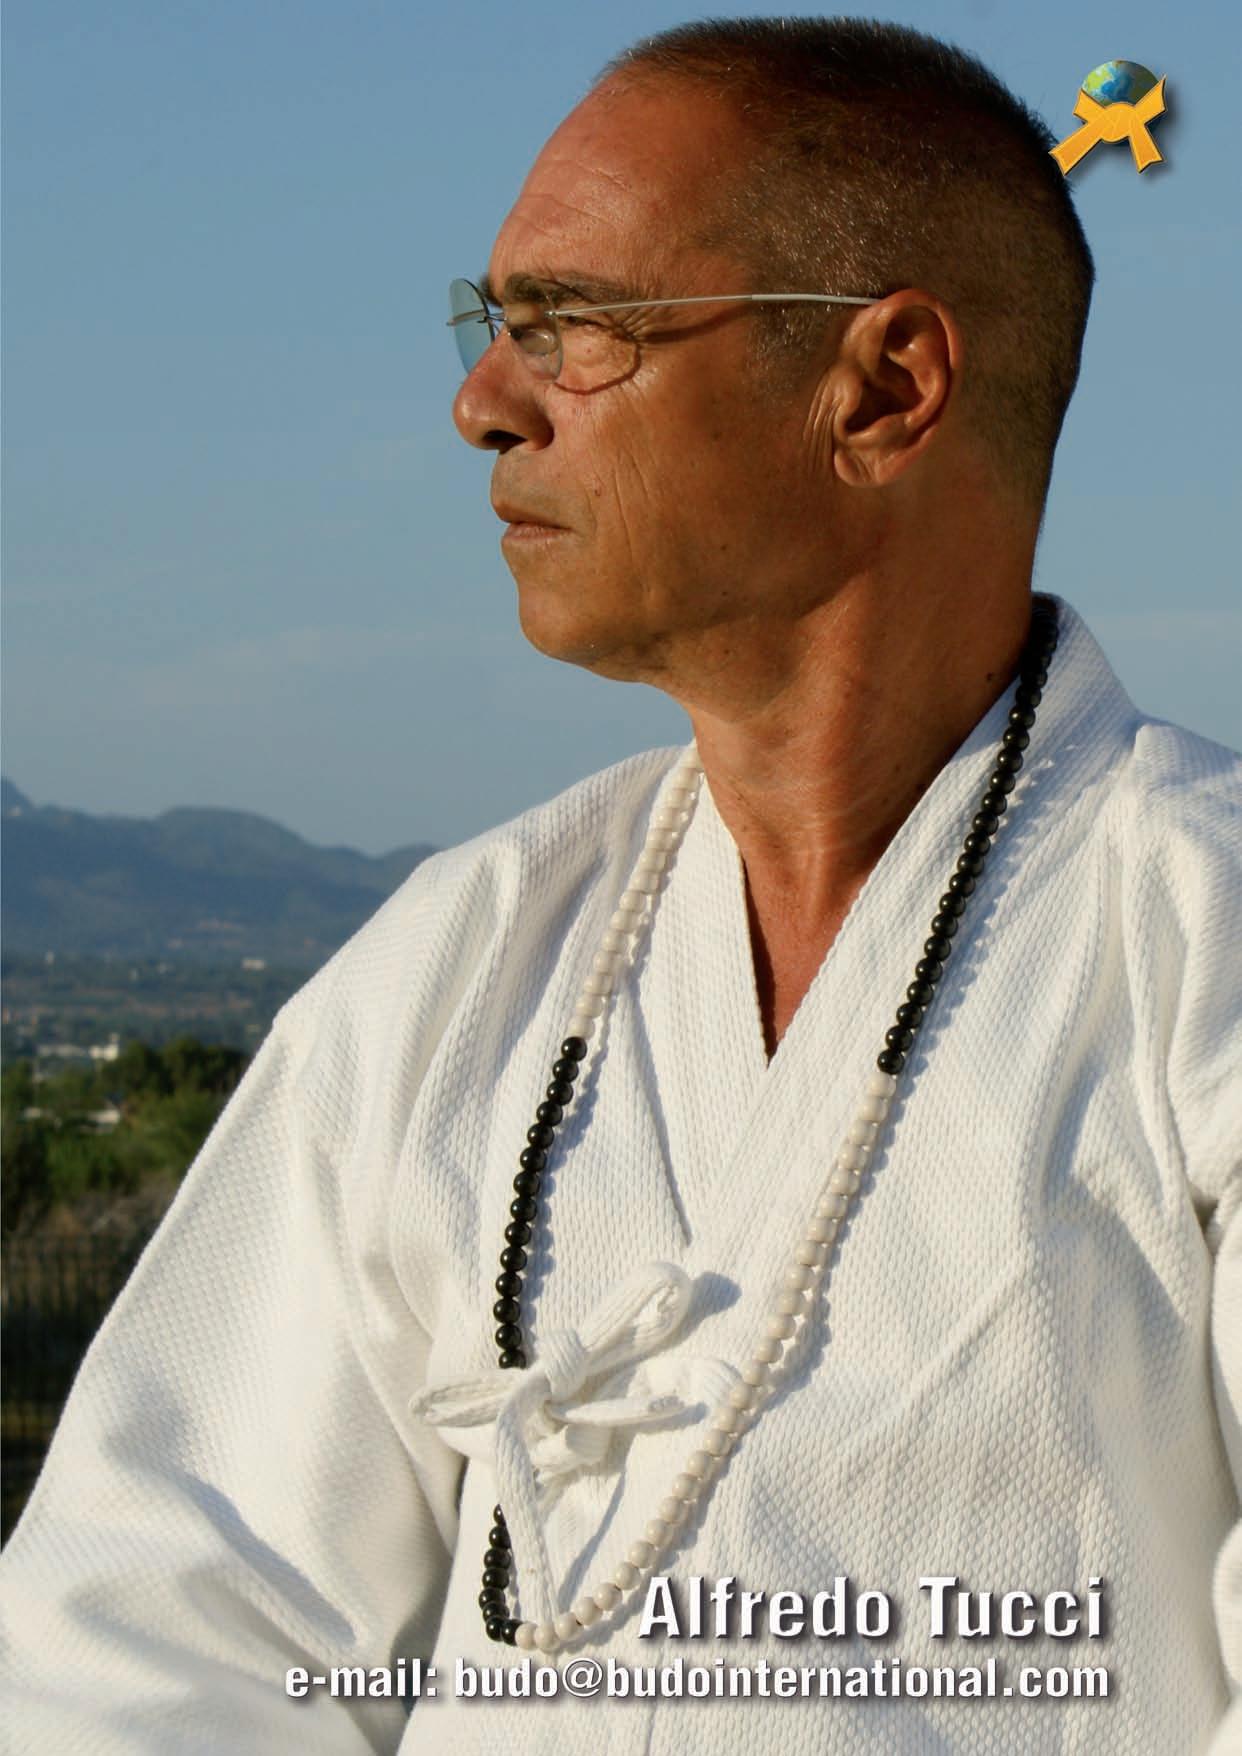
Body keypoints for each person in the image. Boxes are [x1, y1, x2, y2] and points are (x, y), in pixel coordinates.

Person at [1, 17, 1238, 1753]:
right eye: (495, 323)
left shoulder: (1192, 937)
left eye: (575, 326)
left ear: (883, 388)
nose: (480, 404)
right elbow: (154, 1625)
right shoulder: (464, 961)